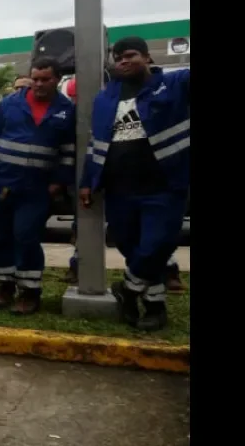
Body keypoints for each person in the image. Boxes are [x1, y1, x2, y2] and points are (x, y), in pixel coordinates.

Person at [79, 36, 190, 331]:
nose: (123, 61)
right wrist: (87, 181)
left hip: (164, 186)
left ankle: (128, 289)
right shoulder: (105, 98)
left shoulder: (175, 84)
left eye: (130, 55)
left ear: (147, 57)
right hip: (119, 190)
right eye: (118, 58)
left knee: (157, 246)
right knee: (132, 248)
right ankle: (154, 306)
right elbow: (95, 143)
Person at [0, 57, 76, 315]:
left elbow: (67, 150)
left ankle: (30, 292)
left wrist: (58, 181)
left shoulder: (66, 110)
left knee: (26, 236)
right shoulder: (10, 104)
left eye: (45, 79)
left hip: (36, 188)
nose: (39, 84)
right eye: (35, 79)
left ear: (57, 80)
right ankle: (3, 287)